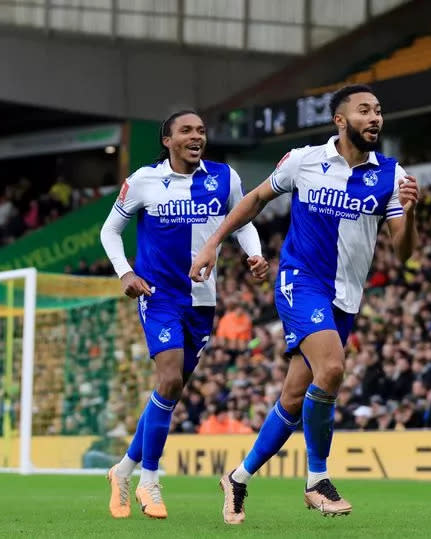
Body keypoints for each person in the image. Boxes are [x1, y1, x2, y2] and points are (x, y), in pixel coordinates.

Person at [190, 85, 420, 523]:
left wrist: (409, 212)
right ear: (340, 120)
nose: (375, 118)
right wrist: (213, 247)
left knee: (295, 397)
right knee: (332, 368)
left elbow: (404, 251)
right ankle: (317, 480)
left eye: (379, 111)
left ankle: (237, 478)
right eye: (365, 110)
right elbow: (256, 199)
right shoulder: (304, 160)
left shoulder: (391, 175)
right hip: (300, 281)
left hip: (346, 297)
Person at [99, 110, 268, 520]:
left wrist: (255, 252)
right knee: (170, 378)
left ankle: (121, 470)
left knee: (169, 392)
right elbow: (109, 231)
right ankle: (149, 482)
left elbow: (241, 219)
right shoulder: (143, 181)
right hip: (158, 294)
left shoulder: (224, 178)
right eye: (187, 131)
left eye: (201, 131)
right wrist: (125, 272)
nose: (197, 137)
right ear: (167, 140)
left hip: (202, 300)